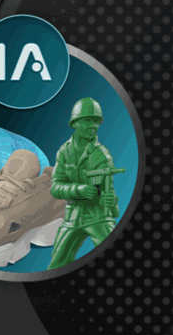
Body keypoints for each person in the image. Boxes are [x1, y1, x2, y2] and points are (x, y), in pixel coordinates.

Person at [47, 97, 125, 269]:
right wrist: (78, 190)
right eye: (87, 120)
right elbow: (56, 187)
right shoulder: (64, 151)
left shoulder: (101, 154)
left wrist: (110, 202)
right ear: (75, 123)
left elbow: (108, 190)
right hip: (72, 217)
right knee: (56, 265)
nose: (93, 126)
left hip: (98, 216)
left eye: (96, 121)